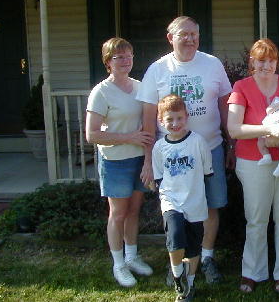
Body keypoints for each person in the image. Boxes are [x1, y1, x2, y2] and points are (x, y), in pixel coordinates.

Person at [136, 16, 233, 284]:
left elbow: (226, 106)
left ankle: (207, 257)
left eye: (194, 34)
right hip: (172, 155)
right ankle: (177, 262)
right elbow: (147, 116)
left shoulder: (212, 64)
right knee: (177, 210)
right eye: (183, 34)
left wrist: (231, 143)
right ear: (170, 38)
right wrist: (147, 160)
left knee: (212, 206)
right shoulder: (157, 69)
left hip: (211, 148)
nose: (189, 39)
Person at [227, 38, 279, 294]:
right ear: (252, 61)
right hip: (254, 162)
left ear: (277, 62)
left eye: (271, 60)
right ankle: (253, 271)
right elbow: (234, 128)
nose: (266, 65)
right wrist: (269, 128)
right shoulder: (240, 87)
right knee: (256, 218)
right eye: (261, 60)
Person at [86, 37, 154, 288]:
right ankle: (119, 264)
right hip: (115, 160)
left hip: (139, 159)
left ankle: (132, 256)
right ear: (108, 62)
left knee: (134, 210)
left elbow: (148, 125)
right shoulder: (101, 91)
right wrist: (129, 137)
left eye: (129, 56)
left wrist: (147, 157)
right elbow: (92, 134)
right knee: (118, 213)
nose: (126, 61)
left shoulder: (140, 87)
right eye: (119, 57)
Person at [153, 94, 213, 302]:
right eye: (169, 119)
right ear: (161, 121)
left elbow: (207, 172)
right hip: (171, 201)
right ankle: (178, 276)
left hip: (195, 201)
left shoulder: (198, 142)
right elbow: (160, 176)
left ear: (186, 116)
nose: (175, 123)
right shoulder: (159, 147)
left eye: (179, 118)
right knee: (176, 237)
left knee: (194, 245)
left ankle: (190, 282)